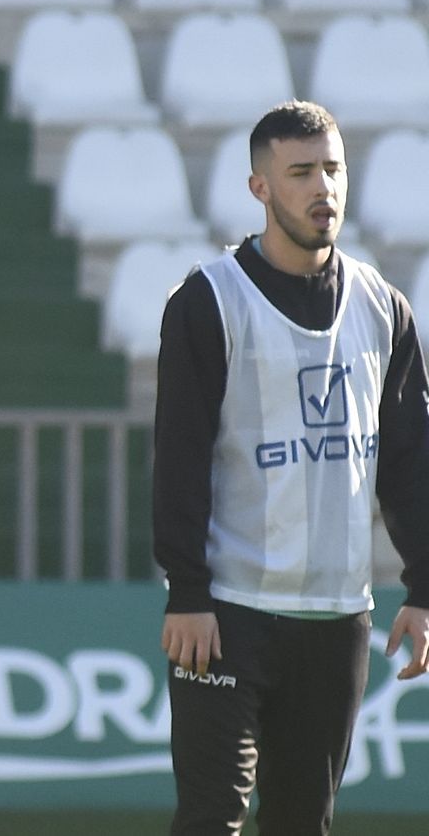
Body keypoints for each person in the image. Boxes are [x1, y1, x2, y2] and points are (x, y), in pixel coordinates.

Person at [153, 99, 429, 835]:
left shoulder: (384, 308)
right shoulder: (209, 302)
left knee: (303, 822)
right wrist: (188, 590)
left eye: (332, 170)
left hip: (339, 617)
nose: (323, 189)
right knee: (211, 816)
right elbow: (178, 457)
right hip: (229, 612)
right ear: (260, 187)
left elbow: (409, 461)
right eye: (301, 172)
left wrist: (424, 582)